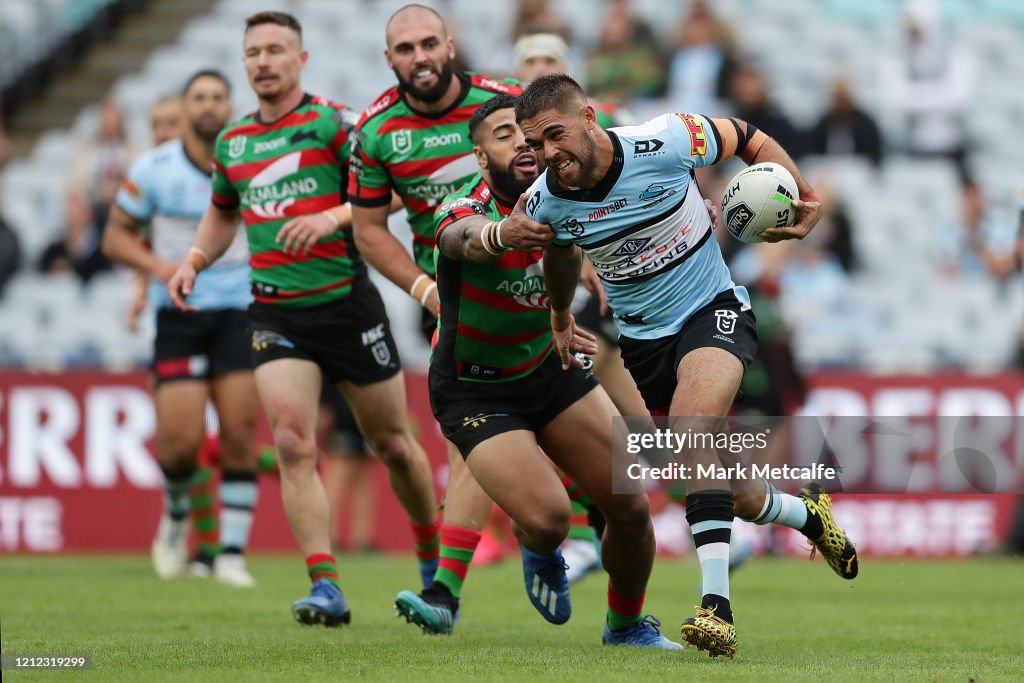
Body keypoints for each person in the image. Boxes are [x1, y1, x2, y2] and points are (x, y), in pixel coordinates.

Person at [516, 74, 859, 657]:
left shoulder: (666, 141)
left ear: (589, 117)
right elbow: (561, 253)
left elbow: (747, 136)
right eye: (536, 145)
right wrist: (556, 314)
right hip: (645, 346)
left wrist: (804, 195)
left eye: (555, 135)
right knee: (738, 495)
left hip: (713, 311)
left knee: (692, 425)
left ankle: (715, 609)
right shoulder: (545, 202)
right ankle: (807, 516)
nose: (549, 154)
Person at [166, 11, 439, 627]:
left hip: (346, 303)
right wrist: (193, 260)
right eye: (253, 52)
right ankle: (326, 584)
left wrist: (333, 218)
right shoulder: (233, 142)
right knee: (292, 441)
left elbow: (393, 188)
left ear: (301, 59)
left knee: (394, 444)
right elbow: (222, 212)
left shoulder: (331, 123)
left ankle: (432, 562)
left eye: (275, 50)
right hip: (275, 311)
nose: (263, 61)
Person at [394, 94, 679, 650]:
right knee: (548, 520)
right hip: (476, 391)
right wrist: (502, 235)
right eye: (503, 135)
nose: (522, 143)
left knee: (630, 503)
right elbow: (460, 239)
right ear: (480, 158)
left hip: (551, 371)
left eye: (527, 133)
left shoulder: (565, 198)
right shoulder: (459, 207)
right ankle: (537, 545)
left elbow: (615, 224)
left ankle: (625, 628)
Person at [348, 3, 523, 615]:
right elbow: (369, 230)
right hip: (455, 301)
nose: (419, 57)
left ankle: (566, 535)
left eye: (429, 43)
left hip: (541, 287)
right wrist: (424, 290)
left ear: (450, 46)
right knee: (473, 438)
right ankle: (445, 592)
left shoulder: (510, 101)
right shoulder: (375, 132)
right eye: (405, 48)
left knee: (628, 423)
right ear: (389, 59)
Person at [101, 70, 260, 588]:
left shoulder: (249, 160)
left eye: (218, 96)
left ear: (229, 104)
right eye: (200, 97)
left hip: (240, 308)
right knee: (180, 445)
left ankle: (232, 555)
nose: (209, 105)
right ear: (187, 108)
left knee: (238, 434)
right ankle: (175, 516)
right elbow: (115, 239)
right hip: (180, 315)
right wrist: (159, 270)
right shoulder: (152, 169)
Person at [318, 383, 377, 554]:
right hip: (341, 414)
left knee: (364, 474)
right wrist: (324, 403)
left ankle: (362, 539)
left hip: (369, 414)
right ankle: (329, 538)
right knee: (339, 471)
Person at [807, 77, 883, 167]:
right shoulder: (823, 123)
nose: (840, 103)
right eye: (837, 98)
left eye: (843, 98)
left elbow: (874, 155)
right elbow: (813, 153)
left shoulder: (866, 125)